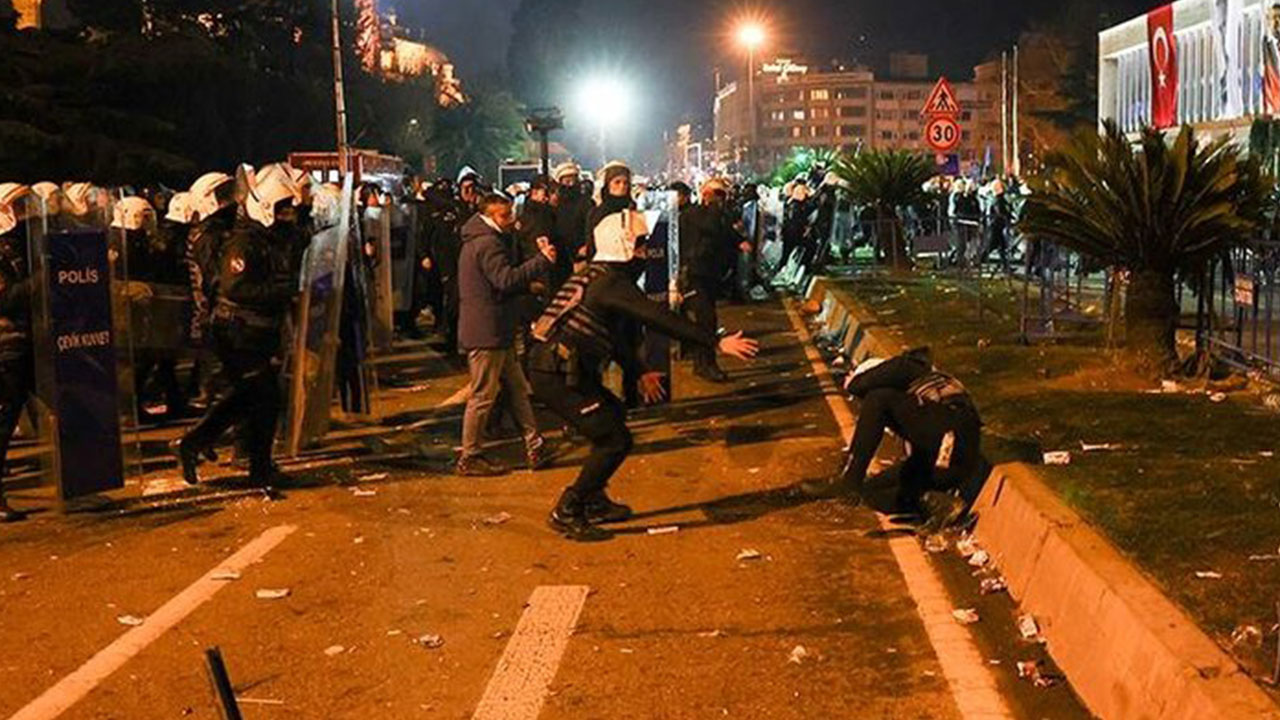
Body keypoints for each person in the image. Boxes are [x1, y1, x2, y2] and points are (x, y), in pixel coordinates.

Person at [527, 161, 760, 541]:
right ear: (621, 247)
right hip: (555, 372)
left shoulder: (595, 276)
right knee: (614, 439)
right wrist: (715, 341)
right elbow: (658, 317)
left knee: (616, 415)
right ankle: (568, 507)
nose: (644, 252)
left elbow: (616, 337)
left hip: (562, 368)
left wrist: (639, 372)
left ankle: (595, 499)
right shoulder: (609, 283)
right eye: (639, 245)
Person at [173, 167, 304, 487]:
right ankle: (247, 463)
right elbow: (235, 289)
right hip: (239, 332)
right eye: (282, 209)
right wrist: (285, 293)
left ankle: (198, 445)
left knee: (250, 397)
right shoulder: (244, 242)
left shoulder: (269, 240)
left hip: (258, 332)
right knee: (261, 397)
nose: (288, 216)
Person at [803, 348, 987, 532]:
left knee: (877, 399)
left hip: (955, 438)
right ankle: (936, 504)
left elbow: (877, 378)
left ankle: (850, 479)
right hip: (946, 463)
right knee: (870, 492)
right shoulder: (917, 408)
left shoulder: (913, 368)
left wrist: (854, 382)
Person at [455, 193, 556, 476]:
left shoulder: (483, 240)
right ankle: (470, 455)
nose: (511, 221)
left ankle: (534, 443)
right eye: (505, 216)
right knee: (483, 395)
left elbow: (498, 285)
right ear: (488, 217)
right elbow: (504, 279)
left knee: (517, 389)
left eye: (510, 214)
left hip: (496, 329)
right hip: (488, 331)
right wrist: (541, 261)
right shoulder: (487, 244)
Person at [679, 178, 746, 383]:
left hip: (710, 274)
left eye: (722, 195)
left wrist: (739, 241)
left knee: (706, 318)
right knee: (705, 319)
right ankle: (705, 364)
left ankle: (701, 360)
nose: (719, 199)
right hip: (694, 274)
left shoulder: (719, 215)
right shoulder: (695, 215)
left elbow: (726, 234)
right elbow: (709, 228)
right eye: (715, 194)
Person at [0, 184, 33, 522]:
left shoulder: (19, 243)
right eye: (18, 205)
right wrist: (42, 280)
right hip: (6, 344)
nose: (25, 211)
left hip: (30, 341)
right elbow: (6, 298)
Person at [552, 163, 593, 267]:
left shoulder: (586, 202)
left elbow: (591, 225)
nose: (570, 184)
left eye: (573, 180)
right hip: (560, 253)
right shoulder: (555, 203)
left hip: (580, 253)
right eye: (567, 181)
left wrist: (586, 245)